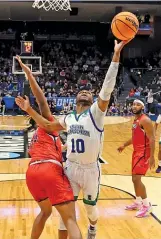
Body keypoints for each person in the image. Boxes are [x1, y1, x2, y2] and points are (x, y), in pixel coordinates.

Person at [15, 40, 130, 239]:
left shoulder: (96, 113)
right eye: (82, 91)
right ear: (75, 99)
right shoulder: (67, 118)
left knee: (90, 211)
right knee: (65, 215)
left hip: (91, 170)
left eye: (88, 92)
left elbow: (107, 88)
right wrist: (29, 107)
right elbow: (49, 124)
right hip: (70, 168)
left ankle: (93, 227)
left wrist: (116, 57)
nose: (85, 91)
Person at [15, 56, 82, 239]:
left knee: (45, 212)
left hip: (32, 173)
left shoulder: (36, 135)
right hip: (49, 169)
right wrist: (29, 74)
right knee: (70, 219)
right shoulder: (48, 125)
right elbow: (41, 100)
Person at [117, 99, 155, 218]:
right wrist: (124, 145)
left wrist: (152, 156)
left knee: (137, 179)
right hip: (136, 152)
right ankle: (138, 201)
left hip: (143, 153)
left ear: (142, 107)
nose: (134, 106)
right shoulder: (136, 120)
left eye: (138, 104)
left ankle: (146, 204)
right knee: (134, 179)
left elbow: (152, 138)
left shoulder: (145, 120)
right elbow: (135, 137)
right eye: (133, 104)